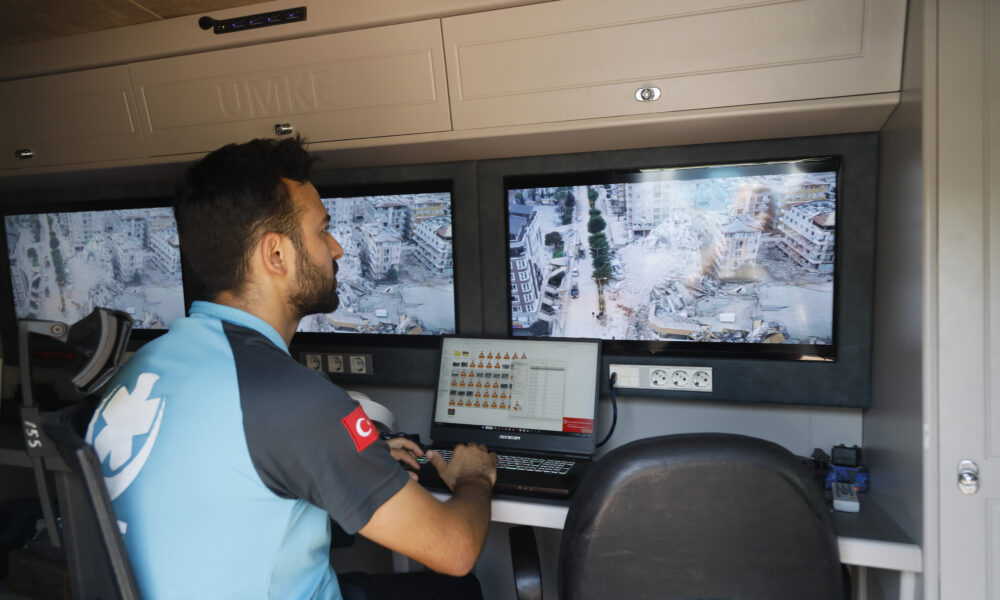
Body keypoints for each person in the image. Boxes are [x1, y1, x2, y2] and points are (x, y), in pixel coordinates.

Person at [85, 137, 498, 600]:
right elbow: (454, 549)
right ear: (276, 255)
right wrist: (473, 477)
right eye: (323, 230)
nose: (337, 249)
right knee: (460, 590)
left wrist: (352, 456)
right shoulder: (295, 400)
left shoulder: (139, 368)